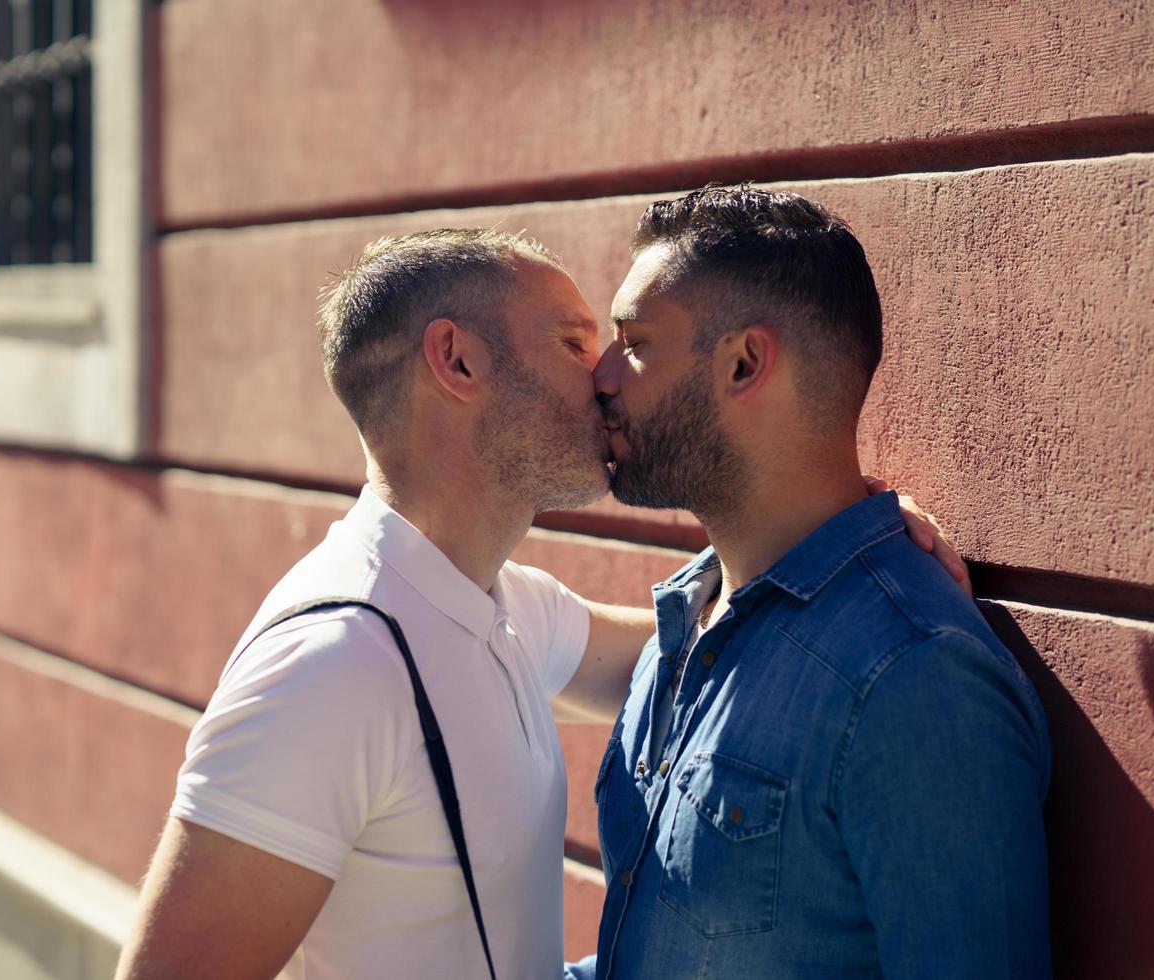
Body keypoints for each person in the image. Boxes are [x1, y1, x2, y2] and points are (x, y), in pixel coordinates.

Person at [114, 227, 967, 980]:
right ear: (458, 362)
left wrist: (838, 532)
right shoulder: (331, 664)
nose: (603, 376)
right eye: (571, 340)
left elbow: (722, 652)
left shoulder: (502, 604)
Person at [569, 186, 1051, 979]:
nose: (601, 375)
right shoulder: (687, 622)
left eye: (635, 341)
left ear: (745, 363)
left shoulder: (913, 679)